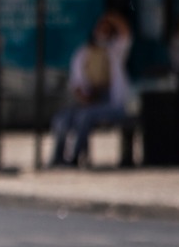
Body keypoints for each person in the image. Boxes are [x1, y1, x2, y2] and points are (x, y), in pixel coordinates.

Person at [50, 10, 133, 167]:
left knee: (84, 117)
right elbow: (76, 82)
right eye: (101, 29)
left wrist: (109, 17)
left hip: (112, 104)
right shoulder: (83, 53)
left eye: (107, 30)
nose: (103, 33)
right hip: (88, 102)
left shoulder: (114, 51)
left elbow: (125, 32)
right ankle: (57, 157)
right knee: (61, 119)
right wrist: (84, 97)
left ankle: (75, 158)